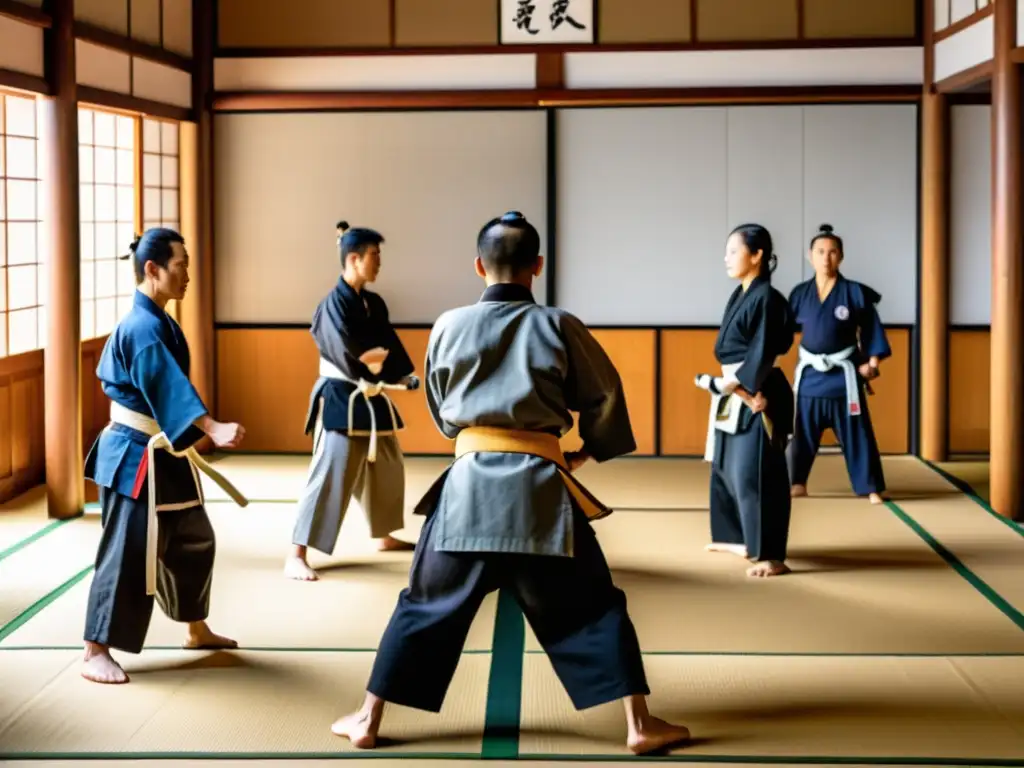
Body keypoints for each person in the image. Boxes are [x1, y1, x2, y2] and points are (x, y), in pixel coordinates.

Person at [329, 212, 691, 755]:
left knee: (422, 604)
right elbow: (605, 397)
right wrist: (580, 452)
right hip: (542, 491)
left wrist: (475, 432)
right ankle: (638, 725)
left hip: (468, 490)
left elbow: (444, 413)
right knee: (596, 605)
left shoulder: (449, 324)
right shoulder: (558, 324)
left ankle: (367, 718)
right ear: (537, 267)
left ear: (479, 266)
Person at [81, 228, 248, 685]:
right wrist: (211, 427)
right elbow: (165, 387)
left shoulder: (157, 320)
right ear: (152, 269)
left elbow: (168, 388)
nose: (188, 275)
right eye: (181, 265)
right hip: (135, 456)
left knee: (194, 537)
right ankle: (95, 647)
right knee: (128, 551)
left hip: (165, 452)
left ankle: (195, 628)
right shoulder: (141, 328)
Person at [285, 221, 419, 581]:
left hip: (369, 393)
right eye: (375, 256)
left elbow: (387, 346)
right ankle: (296, 552)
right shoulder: (332, 305)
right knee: (332, 472)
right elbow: (350, 353)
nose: (379, 263)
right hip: (341, 395)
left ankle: (384, 535)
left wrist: (398, 373)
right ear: (354, 259)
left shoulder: (373, 303)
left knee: (387, 464)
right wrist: (374, 365)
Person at [695, 223, 796, 578]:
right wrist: (730, 385)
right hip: (734, 387)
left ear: (757, 256)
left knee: (756, 472)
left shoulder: (767, 298)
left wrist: (743, 387)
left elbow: (764, 349)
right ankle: (735, 536)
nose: (727, 257)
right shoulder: (743, 294)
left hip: (759, 390)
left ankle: (771, 553)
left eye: (734, 251)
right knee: (725, 466)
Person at [786, 224, 890, 505]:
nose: (826, 258)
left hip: (844, 378)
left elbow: (871, 328)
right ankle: (797, 482)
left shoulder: (854, 292)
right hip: (810, 376)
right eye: (820, 252)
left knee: (858, 434)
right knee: (801, 434)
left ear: (841, 256)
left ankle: (870, 487)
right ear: (810, 256)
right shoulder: (799, 294)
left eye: (832, 252)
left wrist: (873, 362)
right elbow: (783, 332)